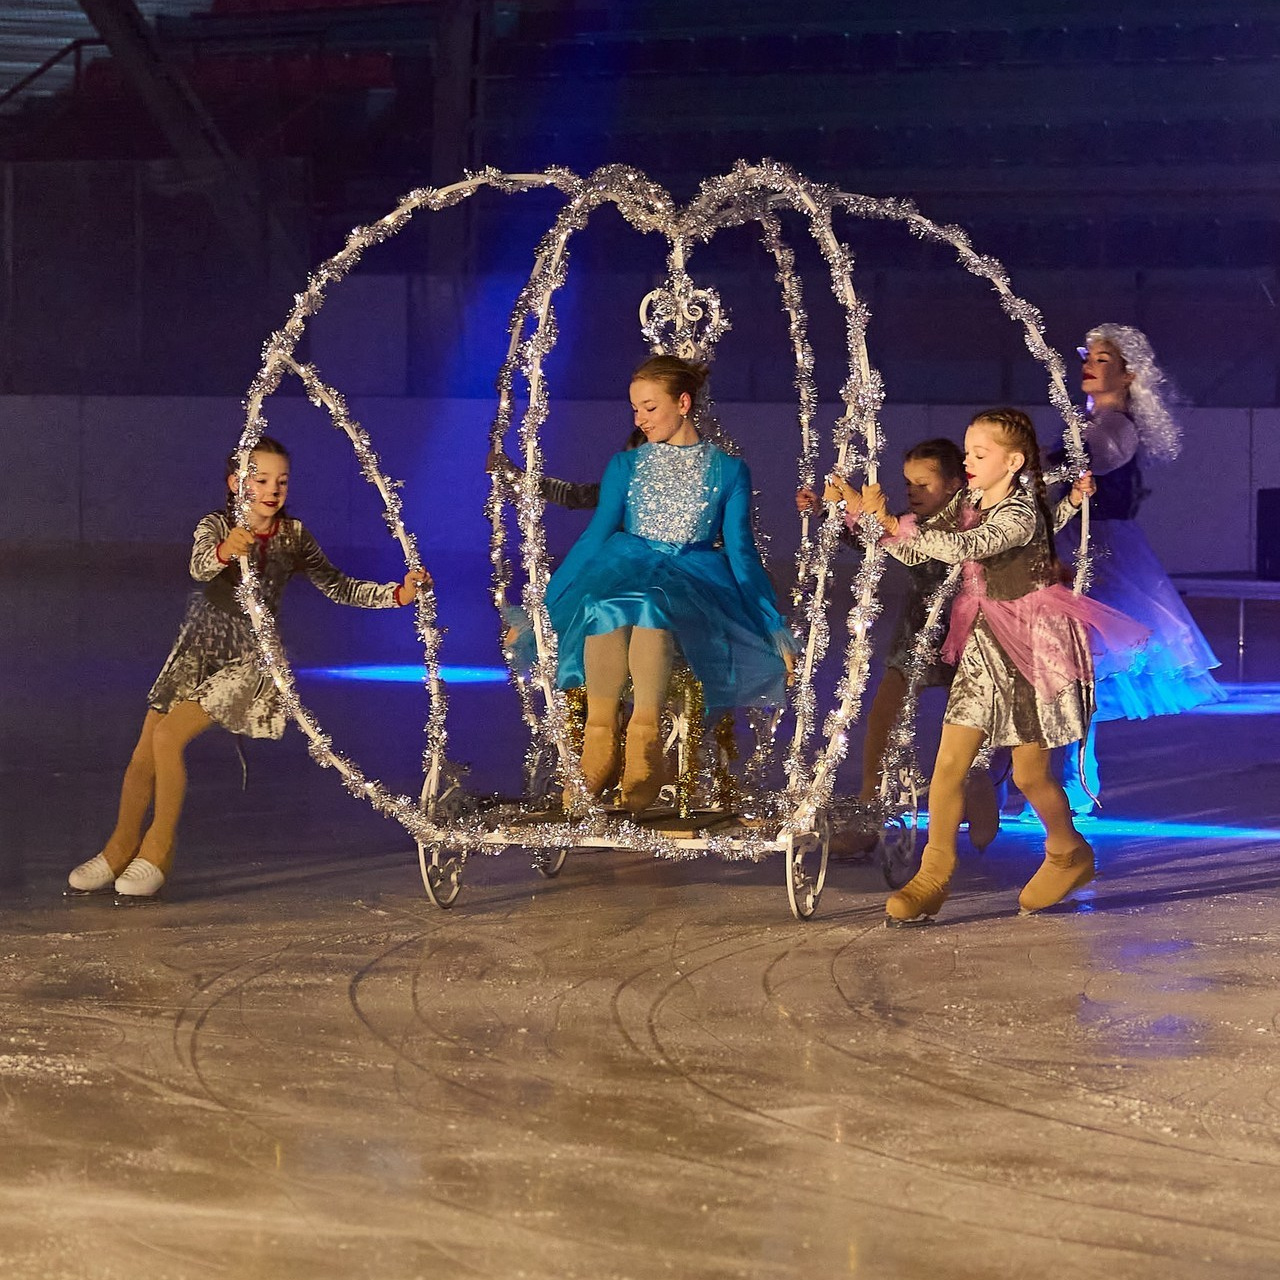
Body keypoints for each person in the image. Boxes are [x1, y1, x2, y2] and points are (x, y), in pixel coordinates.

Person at [66, 437, 429, 900]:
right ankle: (119, 849)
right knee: (143, 753)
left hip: (250, 657)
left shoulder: (293, 536)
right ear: (237, 483)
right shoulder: (216, 525)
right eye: (261, 480)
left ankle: (158, 849)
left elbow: (337, 585)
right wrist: (224, 550)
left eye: (281, 481)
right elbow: (198, 566)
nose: (273, 490)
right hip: (198, 648)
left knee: (167, 738)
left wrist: (397, 594)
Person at [861, 407, 1145, 924]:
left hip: (1031, 645)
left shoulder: (1019, 513)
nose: (967, 462)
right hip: (981, 645)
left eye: (978, 454)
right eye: (967, 452)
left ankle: (1067, 849)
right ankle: (933, 875)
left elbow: (966, 547)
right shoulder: (969, 500)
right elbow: (921, 545)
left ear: (1013, 461)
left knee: (1030, 775)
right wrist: (867, 517)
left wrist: (888, 524)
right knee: (949, 763)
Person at [544, 355, 796, 814]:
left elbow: (741, 552)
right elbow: (594, 536)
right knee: (607, 601)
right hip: (627, 564)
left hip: (692, 578)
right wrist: (547, 602)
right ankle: (598, 740)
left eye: (649, 408)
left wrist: (770, 620)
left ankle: (645, 735)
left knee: (651, 604)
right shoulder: (625, 465)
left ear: (682, 403)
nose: (639, 419)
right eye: (635, 410)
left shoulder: (729, 470)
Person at [1053, 324, 1225, 811]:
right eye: (1088, 355)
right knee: (1067, 662)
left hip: (1100, 548)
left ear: (1129, 375)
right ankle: (1062, 779)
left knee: (1082, 662)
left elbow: (1082, 464)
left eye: (1103, 359)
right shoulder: (1088, 423)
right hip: (1072, 539)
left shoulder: (1116, 427)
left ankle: (1076, 781)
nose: (1089, 364)